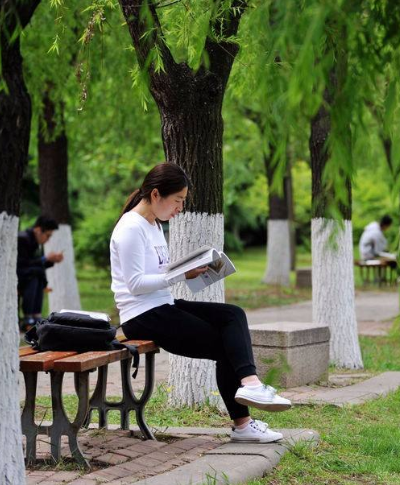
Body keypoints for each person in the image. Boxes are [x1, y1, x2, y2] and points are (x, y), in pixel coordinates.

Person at [110, 163, 291, 444]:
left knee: (232, 315)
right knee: (227, 346)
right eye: (178, 200)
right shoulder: (131, 228)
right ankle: (243, 422)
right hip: (142, 316)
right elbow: (135, 284)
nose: (180, 208)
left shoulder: (153, 225)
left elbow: (156, 272)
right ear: (156, 194)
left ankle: (251, 385)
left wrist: (191, 267)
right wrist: (181, 274)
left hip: (162, 305)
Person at [17, 216, 63, 330]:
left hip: (28, 274)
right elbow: (22, 263)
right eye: (47, 235)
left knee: (38, 275)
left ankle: (35, 316)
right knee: (34, 276)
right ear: (38, 230)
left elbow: (35, 263)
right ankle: (29, 316)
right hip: (19, 276)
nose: (47, 239)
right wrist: (45, 259)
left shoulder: (35, 241)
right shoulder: (23, 239)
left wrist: (51, 260)